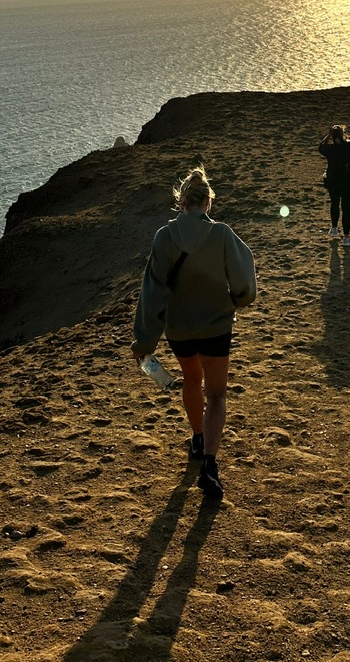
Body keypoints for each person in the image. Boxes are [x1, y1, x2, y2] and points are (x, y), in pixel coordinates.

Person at [132, 165, 257, 501]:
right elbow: (245, 281)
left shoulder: (164, 237)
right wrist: (235, 301)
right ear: (208, 203)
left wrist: (144, 342)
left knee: (191, 380)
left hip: (180, 329)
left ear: (181, 201)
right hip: (216, 325)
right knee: (216, 395)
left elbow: (153, 291)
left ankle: (198, 437)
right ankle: (210, 466)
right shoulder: (223, 234)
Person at [319, 124, 350, 248]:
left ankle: (334, 228)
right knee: (346, 208)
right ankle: (347, 237)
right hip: (348, 180)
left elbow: (320, 147)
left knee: (334, 203)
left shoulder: (330, 149)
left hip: (333, 180)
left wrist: (327, 136)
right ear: (343, 134)